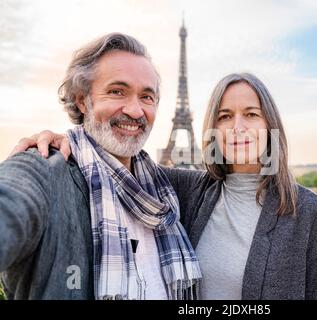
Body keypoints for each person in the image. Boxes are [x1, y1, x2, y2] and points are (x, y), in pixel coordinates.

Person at [12, 73, 317, 299]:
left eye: (251, 114)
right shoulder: (189, 190)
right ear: (212, 128)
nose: (237, 127)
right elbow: (115, 155)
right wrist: (66, 139)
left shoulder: (307, 211)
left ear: (270, 124)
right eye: (224, 116)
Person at [0, 33, 201, 300]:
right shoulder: (45, 171)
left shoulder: (168, 189)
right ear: (82, 100)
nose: (135, 110)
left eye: (147, 97)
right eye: (117, 91)